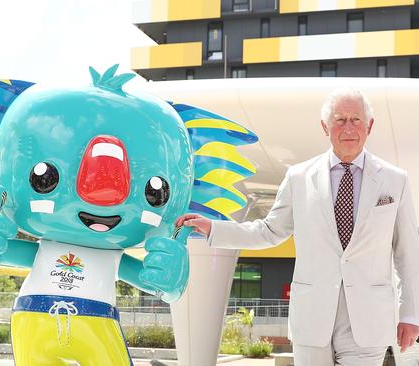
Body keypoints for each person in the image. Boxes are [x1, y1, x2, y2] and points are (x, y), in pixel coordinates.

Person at [177, 88, 419, 366]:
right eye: (340, 120)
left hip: (369, 320)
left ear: (370, 126)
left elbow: (408, 253)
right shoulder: (299, 177)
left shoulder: (395, 180)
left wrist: (410, 314)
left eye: (356, 120)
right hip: (312, 317)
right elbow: (269, 231)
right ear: (325, 126)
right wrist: (215, 229)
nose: (349, 128)